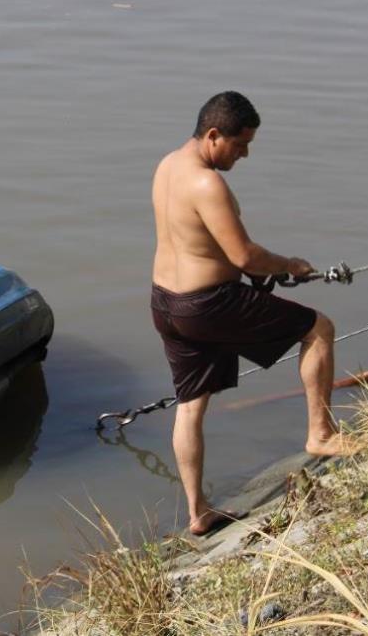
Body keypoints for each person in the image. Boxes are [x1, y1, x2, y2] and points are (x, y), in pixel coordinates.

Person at [150, 91, 356, 537]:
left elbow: (199, 245)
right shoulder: (208, 183)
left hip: (166, 302)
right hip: (208, 304)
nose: (243, 155)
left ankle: (198, 512)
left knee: (190, 407)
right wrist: (289, 265)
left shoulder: (168, 165)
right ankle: (320, 433)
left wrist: (258, 276)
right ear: (213, 135)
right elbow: (242, 255)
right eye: (239, 145)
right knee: (318, 328)